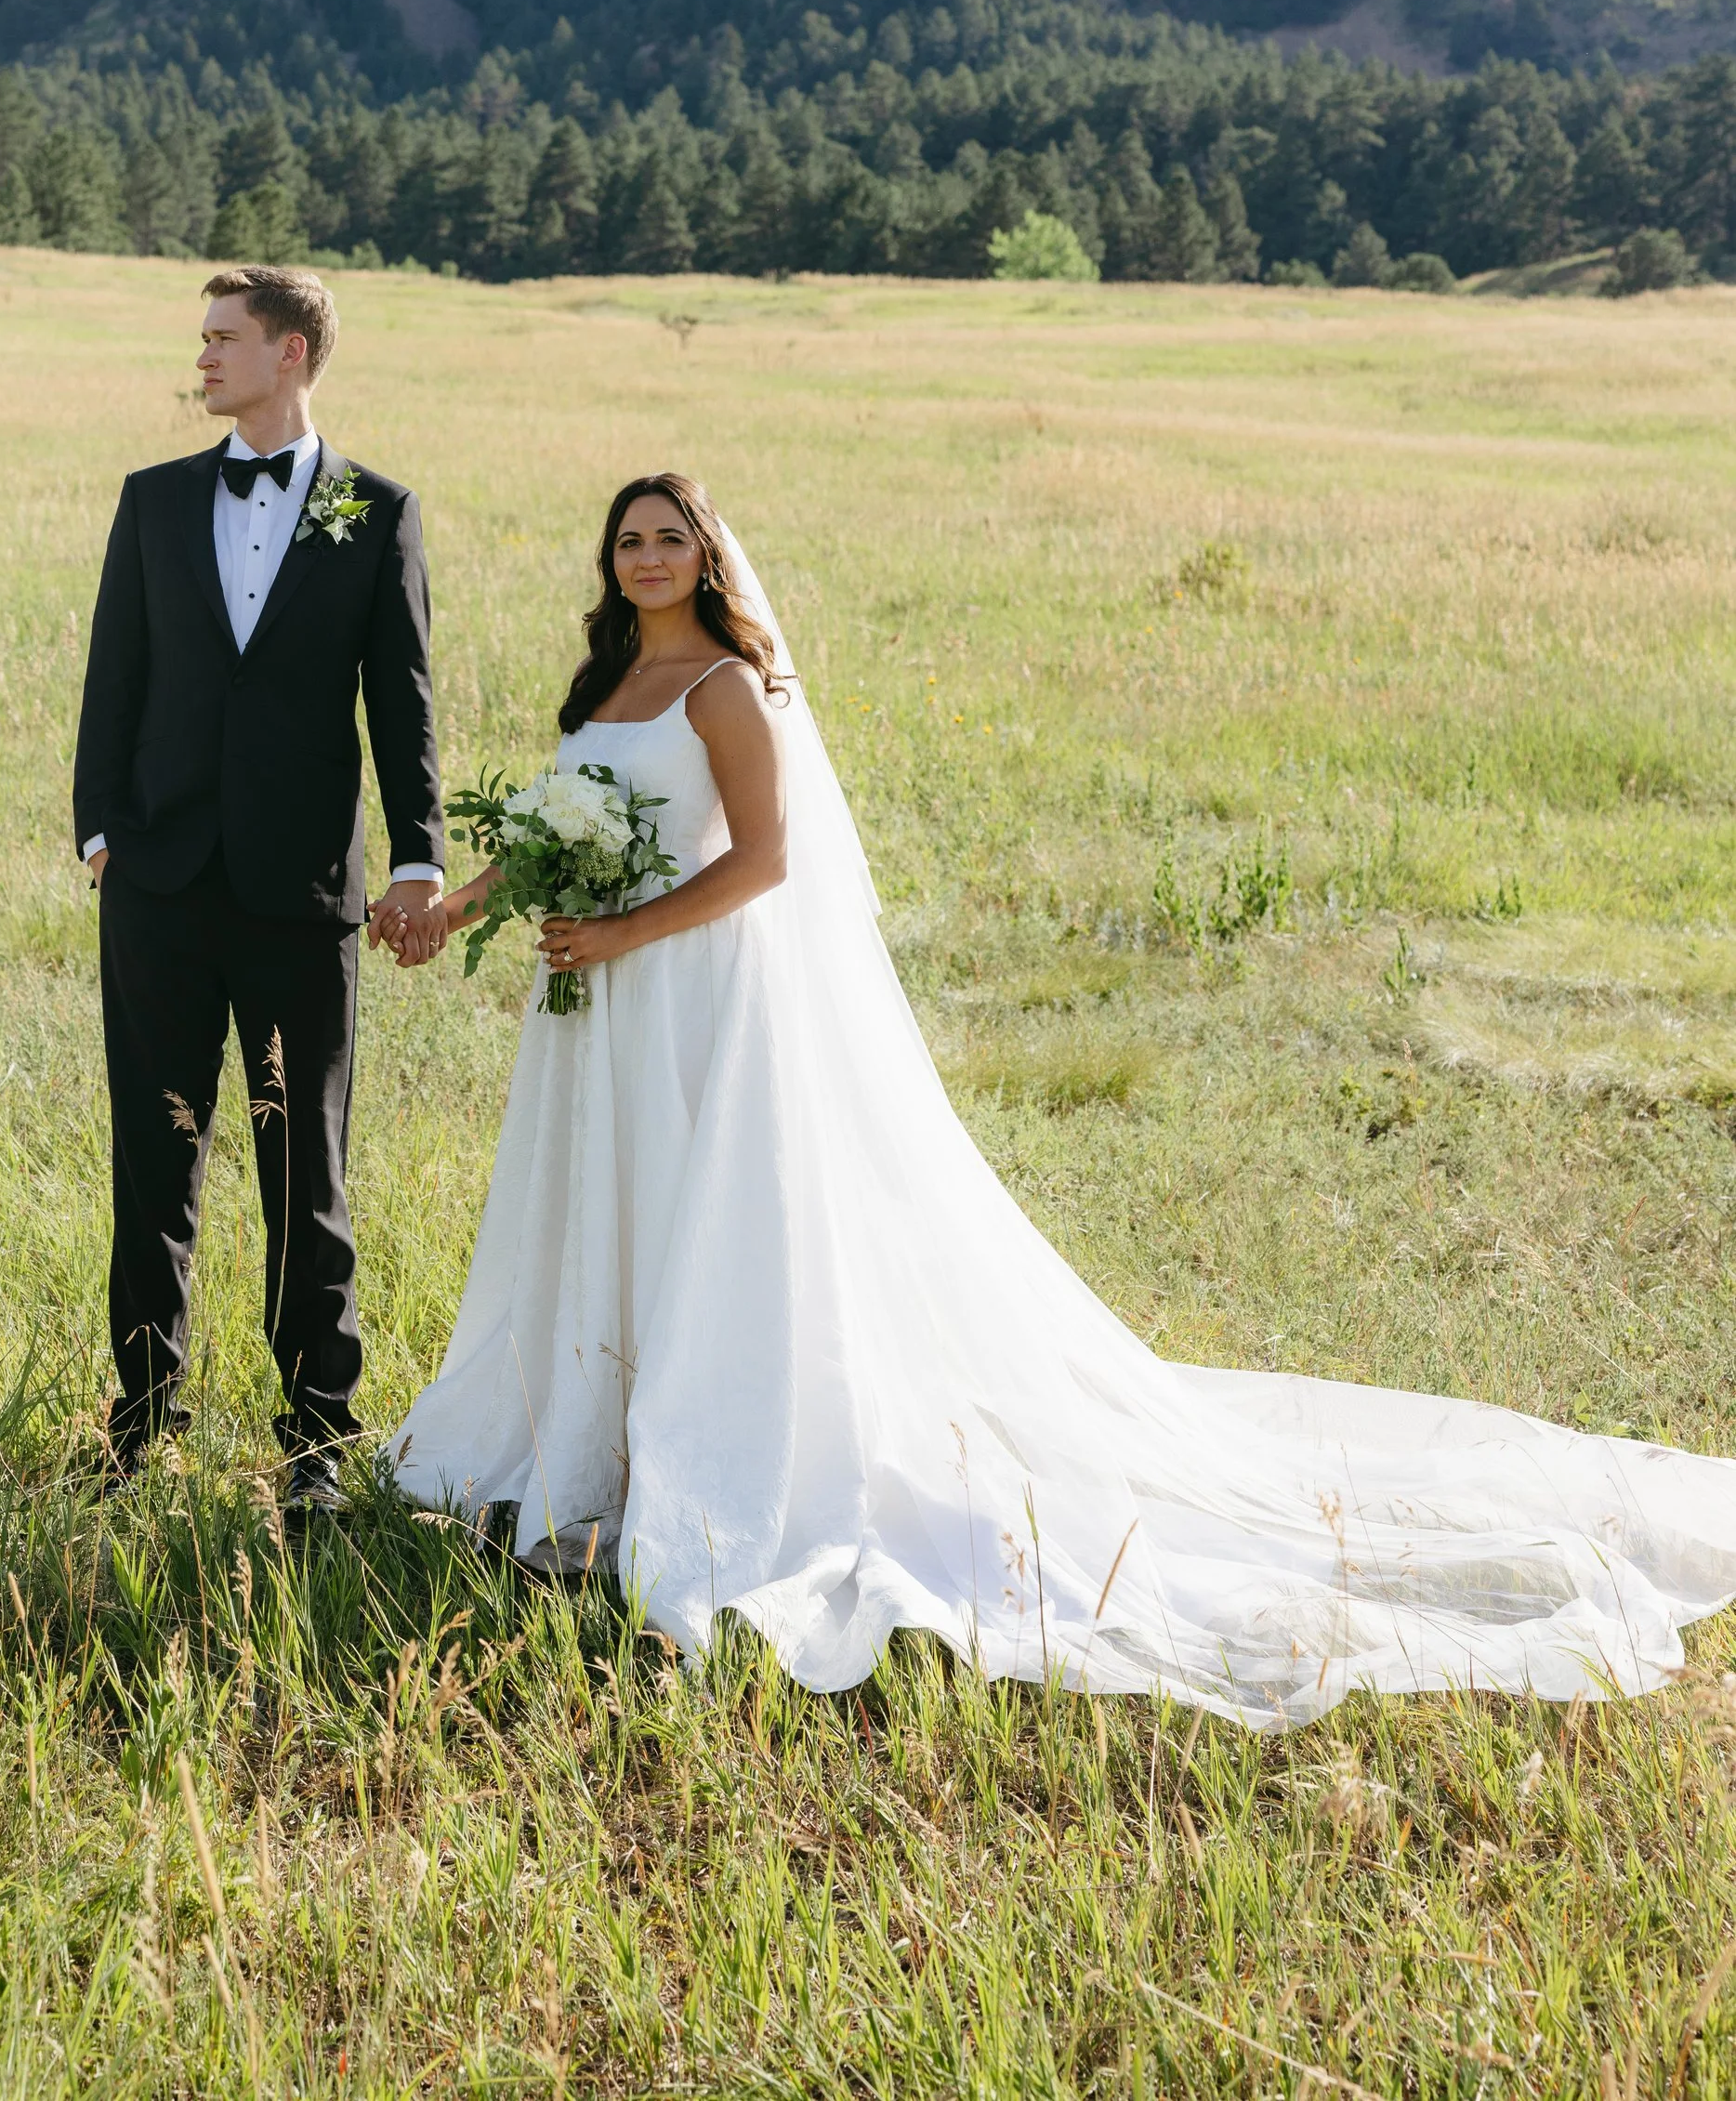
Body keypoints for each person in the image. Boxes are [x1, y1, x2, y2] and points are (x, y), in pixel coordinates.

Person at [392, 471, 1736, 1723]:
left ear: (708, 557)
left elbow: (767, 864)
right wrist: (460, 908)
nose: (646, 558)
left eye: (668, 538)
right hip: (598, 1012)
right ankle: (592, 1451)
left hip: (690, 994)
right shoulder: (608, 686)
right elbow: (547, 831)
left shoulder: (729, 693)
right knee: (608, 1217)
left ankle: (704, 1466)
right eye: (628, 541)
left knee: (703, 1222)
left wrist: (629, 934)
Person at [72, 264, 449, 1512]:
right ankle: (137, 1428)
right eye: (203, 338)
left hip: (301, 899)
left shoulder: (374, 511)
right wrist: (99, 837)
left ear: (292, 352)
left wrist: (416, 857)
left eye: (224, 337)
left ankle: (320, 1446)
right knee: (153, 1166)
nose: (204, 356)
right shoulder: (154, 501)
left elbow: (403, 706)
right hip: (162, 889)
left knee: (307, 1173)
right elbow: (113, 680)